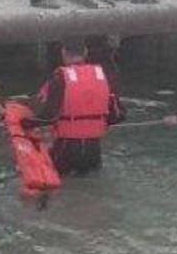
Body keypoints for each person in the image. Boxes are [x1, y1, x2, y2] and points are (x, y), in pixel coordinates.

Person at [26, 39, 125, 175]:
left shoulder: (60, 77)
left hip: (66, 149)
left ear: (63, 53)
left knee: (63, 188)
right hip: (93, 150)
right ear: (85, 52)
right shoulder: (102, 75)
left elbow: (48, 117)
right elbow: (118, 115)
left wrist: (25, 124)